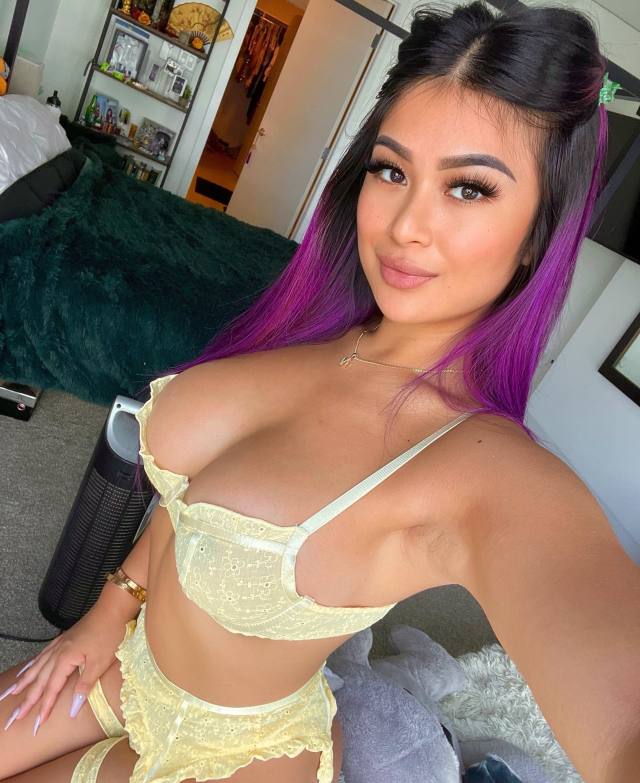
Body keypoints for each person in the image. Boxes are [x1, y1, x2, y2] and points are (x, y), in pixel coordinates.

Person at [1, 2, 638, 782]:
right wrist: (107, 611)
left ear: (539, 230)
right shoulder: (301, 327)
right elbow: (188, 499)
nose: (405, 224)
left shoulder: (487, 473)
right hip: (125, 667)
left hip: (238, 756)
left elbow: (622, 718)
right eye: (392, 170)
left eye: (469, 188)